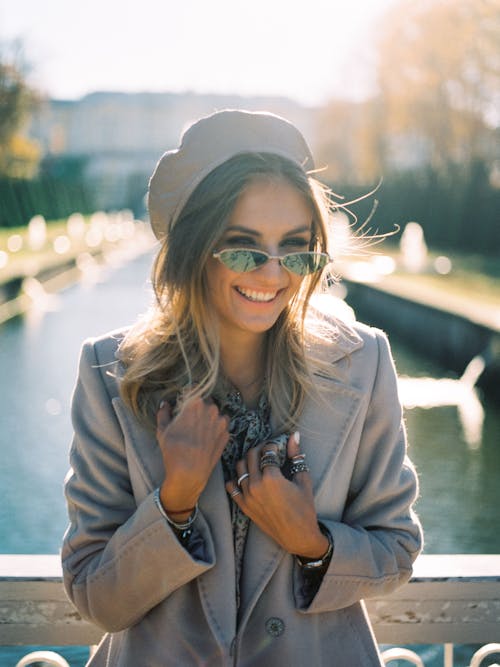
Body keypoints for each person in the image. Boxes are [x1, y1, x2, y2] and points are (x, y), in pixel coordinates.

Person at [62, 109, 423, 667]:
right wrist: (174, 502)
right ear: (193, 248)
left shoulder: (364, 360)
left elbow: (396, 549)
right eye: (243, 248)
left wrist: (311, 542)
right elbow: (96, 596)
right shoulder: (109, 371)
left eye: (296, 248)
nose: (273, 275)